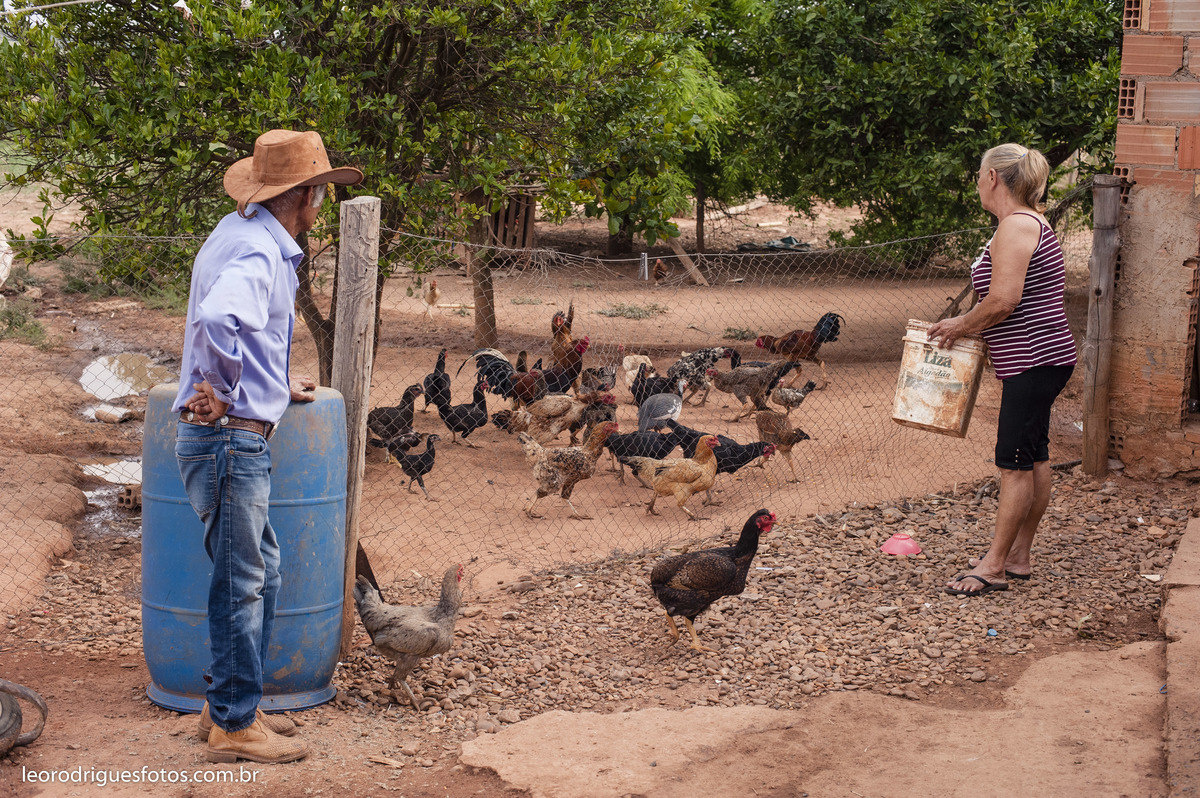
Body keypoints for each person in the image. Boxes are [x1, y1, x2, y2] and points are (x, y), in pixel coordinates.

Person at [173, 129, 362, 763]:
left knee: (258, 574)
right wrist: (226, 387)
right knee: (242, 582)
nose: (322, 205)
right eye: (321, 193)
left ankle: (225, 703)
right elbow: (222, 318)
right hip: (230, 440)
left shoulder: (240, 234)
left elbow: (232, 323)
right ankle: (233, 721)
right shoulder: (259, 254)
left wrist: (270, 380)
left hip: (226, 439)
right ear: (306, 195)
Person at [928, 143, 1077, 598]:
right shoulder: (1026, 222)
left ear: (993, 178)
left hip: (1035, 361)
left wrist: (960, 324)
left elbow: (1004, 299)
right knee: (1034, 457)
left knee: (1013, 465)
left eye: (978, 173)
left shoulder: (1015, 225)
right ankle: (1018, 555)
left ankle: (993, 566)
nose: (976, 181)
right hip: (1044, 359)